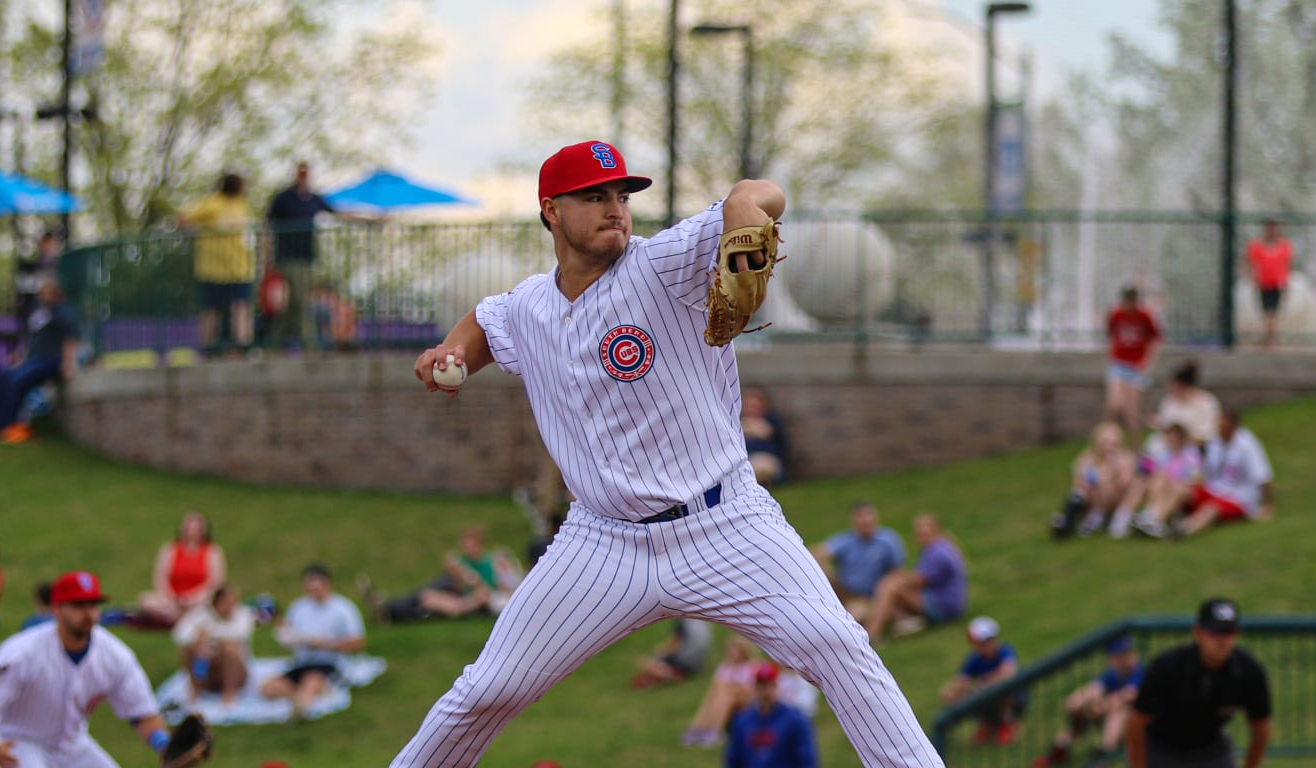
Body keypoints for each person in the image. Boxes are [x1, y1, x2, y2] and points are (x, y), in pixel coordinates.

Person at [396, 139, 943, 767]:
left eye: (621, 196)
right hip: (601, 543)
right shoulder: (531, 307)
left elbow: (767, 196)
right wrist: (452, 353)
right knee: (487, 691)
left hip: (725, 525)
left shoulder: (664, 264)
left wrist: (742, 204)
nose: (615, 209)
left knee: (838, 645)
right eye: (594, 196)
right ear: (550, 210)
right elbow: (486, 321)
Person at [0, 571, 173, 768]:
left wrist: (165, 745)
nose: (88, 613)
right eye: (79, 605)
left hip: (73, 746)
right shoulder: (23, 652)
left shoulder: (115, 656)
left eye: (93, 604)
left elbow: (142, 714)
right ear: (57, 609)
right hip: (20, 741)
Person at [1127, 598, 1271, 768]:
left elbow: (1261, 728)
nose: (1222, 641)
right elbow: (1137, 723)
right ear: (1198, 633)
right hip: (1162, 747)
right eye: (1215, 633)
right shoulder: (1168, 667)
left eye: (1228, 633)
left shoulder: (1248, 671)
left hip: (1210, 747)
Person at [1137, 409, 1273, 540]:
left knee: (1211, 509)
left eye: (1222, 425)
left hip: (1238, 497)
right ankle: (1155, 519)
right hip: (1216, 489)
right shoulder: (1216, 442)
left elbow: (1264, 476)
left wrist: (1267, 506)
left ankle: (1183, 530)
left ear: (1232, 426)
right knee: (1181, 488)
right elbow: (1197, 443)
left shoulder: (1247, 445)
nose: (1218, 428)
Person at [259, 564, 365, 719]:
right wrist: (287, 638)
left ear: (327, 585)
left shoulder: (343, 609)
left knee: (312, 681)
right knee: (268, 688)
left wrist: (324, 644)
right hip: (302, 662)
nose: (314, 592)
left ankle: (301, 708)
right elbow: (289, 633)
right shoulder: (298, 607)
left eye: (317, 588)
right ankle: (300, 698)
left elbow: (358, 643)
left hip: (329, 663)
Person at [0, 278, 79, 443]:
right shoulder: (38, 311)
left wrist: (67, 363)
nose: (43, 295)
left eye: (47, 291)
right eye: (42, 291)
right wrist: (20, 356)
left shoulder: (63, 312)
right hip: (33, 358)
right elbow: (31, 337)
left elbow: (70, 339)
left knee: (16, 380)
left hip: (50, 360)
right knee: (5, 376)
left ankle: (11, 424)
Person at [1033, 635, 1143, 767]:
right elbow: (1094, 689)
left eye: (1128, 653)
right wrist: (1077, 700)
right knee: (1082, 709)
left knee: (1116, 713)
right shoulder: (1113, 674)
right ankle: (1059, 750)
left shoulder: (1139, 671)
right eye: (1121, 655)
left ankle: (1104, 757)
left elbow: (1127, 696)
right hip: (1109, 713)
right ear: (1112, 658)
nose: (1127, 657)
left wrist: (1101, 707)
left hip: (1134, 725)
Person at [180, 172, 254, 355]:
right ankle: (208, 350)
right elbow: (184, 218)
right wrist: (197, 234)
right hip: (212, 269)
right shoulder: (212, 204)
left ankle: (242, 349)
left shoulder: (241, 206)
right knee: (210, 311)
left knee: (241, 308)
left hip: (239, 269)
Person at [266, 161, 336, 351]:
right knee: (299, 301)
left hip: (306, 260)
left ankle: (273, 345)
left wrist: (371, 219)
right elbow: (267, 227)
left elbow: (338, 212)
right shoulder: (283, 199)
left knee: (294, 305)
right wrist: (267, 260)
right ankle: (310, 346)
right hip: (287, 259)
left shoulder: (314, 199)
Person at [865, 514, 967, 642]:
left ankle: (872, 634)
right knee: (891, 585)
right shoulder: (939, 547)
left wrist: (898, 577)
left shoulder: (937, 553)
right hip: (944, 602)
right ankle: (901, 623)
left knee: (889, 587)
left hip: (944, 607)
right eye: (919, 533)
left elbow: (919, 581)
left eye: (924, 533)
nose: (920, 537)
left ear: (935, 530)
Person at [811, 502, 906, 626]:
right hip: (845, 591)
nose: (865, 520)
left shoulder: (887, 540)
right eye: (860, 517)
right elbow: (817, 553)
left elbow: (898, 572)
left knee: (853, 617)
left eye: (868, 515)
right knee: (818, 568)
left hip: (871, 597)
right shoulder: (847, 540)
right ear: (854, 522)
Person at [939, 617, 1022, 746]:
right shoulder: (974, 659)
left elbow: (1009, 672)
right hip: (985, 696)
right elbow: (961, 682)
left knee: (1003, 689)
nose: (984, 645)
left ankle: (1007, 724)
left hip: (1013, 698)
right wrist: (951, 692)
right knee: (959, 696)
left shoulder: (1005, 651)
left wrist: (983, 684)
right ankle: (986, 725)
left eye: (987, 641)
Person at [414, 525, 523, 620]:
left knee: (482, 595)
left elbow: (489, 586)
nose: (466, 546)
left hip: (481, 598)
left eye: (470, 542)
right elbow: (452, 565)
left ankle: (455, 609)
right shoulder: (461, 560)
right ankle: (455, 608)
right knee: (427, 596)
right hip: (464, 596)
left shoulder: (490, 561)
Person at [137, 511, 227, 624]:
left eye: (196, 528)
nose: (192, 531)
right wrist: (171, 598)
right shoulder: (170, 549)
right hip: (172, 600)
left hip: (199, 600)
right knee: (146, 600)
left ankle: (176, 619)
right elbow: (160, 579)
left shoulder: (212, 551)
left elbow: (215, 583)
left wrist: (192, 599)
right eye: (189, 527)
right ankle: (187, 619)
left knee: (211, 602)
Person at [1053, 422, 1140, 538]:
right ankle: (1072, 519)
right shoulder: (1086, 458)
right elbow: (1077, 484)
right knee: (1081, 491)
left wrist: (1113, 471)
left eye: (1113, 443)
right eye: (1105, 442)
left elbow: (1125, 484)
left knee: (1136, 484)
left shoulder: (1125, 458)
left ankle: (1119, 519)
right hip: (1092, 498)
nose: (1109, 447)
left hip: (1116, 498)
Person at [172, 584, 255, 705]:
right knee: (188, 650)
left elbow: (242, 633)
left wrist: (210, 638)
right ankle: (196, 690)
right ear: (217, 602)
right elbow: (179, 634)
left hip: (237, 674)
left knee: (229, 649)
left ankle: (229, 692)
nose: (231, 606)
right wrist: (198, 640)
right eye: (227, 602)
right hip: (208, 671)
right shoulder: (201, 614)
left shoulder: (242, 614)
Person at [724, 664, 819, 768]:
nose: (765, 691)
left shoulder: (795, 720)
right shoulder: (742, 721)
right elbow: (734, 759)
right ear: (755, 688)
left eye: (768, 685)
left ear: (776, 686)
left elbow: (806, 759)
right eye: (761, 685)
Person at [1105, 286, 1162, 445]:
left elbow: (1155, 340)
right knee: (1115, 405)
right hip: (1118, 364)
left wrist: (1148, 362)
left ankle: (1135, 446)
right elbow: (1110, 336)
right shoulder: (1116, 315)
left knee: (1132, 411)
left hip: (1136, 367)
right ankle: (1107, 442)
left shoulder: (1145, 316)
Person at [682, 636, 762, 748]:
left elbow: (751, 690)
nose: (731, 654)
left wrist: (731, 688)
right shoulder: (725, 666)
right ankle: (699, 729)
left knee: (724, 693)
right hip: (728, 699)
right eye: (730, 651)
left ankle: (711, 731)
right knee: (714, 697)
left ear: (743, 651)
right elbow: (714, 689)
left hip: (747, 701)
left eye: (735, 651)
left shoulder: (753, 666)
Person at [1126, 423, 1202, 538]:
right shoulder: (1163, 455)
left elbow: (1193, 477)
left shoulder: (1191, 454)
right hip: (1166, 489)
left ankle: (1153, 519)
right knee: (1159, 478)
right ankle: (1152, 516)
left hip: (1185, 490)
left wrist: (1171, 482)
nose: (1172, 440)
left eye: (1175, 437)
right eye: (1170, 437)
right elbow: (1151, 473)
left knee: (1175, 486)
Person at [1146, 360, 1221, 448]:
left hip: (1195, 448)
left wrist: (1181, 439)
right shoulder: (1169, 401)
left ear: (1183, 386)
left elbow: (1208, 435)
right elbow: (1166, 423)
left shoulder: (1207, 403)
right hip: (1170, 447)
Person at [1246, 219, 1292, 348]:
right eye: (1269, 227)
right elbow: (1251, 263)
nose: (1272, 230)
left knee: (1272, 312)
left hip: (1277, 284)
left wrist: (1285, 282)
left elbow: (1287, 265)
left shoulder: (1284, 246)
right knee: (1267, 311)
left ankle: (1269, 337)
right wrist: (1253, 278)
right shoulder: (1256, 246)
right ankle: (1269, 337)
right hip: (1263, 283)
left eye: (1274, 227)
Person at [630, 618, 713, 689]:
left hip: (683, 663)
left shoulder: (682, 623)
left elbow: (673, 646)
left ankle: (670, 674)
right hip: (699, 664)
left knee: (644, 661)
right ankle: (669, 674)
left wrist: (660, 650)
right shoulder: (702, 620)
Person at [14, 231, 63, 333]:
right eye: (45, 244)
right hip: (39, 308)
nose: (48, 248)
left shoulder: (62, 265)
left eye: (50, 244)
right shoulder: (35, 265)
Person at [740, 386, 788, 486]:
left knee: (764, 466)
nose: (752, 409)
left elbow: (779, 443)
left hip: (768, 460)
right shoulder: (736, 422)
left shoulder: (772, 421)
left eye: (755, 405)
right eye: (749, 405)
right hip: (746, 460)